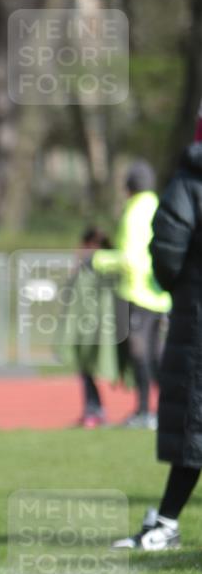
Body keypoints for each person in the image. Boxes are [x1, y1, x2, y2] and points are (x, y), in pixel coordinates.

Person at [113, 135, 202, 549]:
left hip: (191, 315)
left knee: (193, 422)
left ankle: (165, 523)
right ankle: (166, 520)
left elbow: (166, 250)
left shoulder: (188, 181)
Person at [92, 160, 171, 428]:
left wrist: (98, 260)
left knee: (141, 356)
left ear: (129, 186)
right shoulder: (159, 205)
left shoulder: (134, 212)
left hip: (137, 293)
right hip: (160, 295)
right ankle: (167, 411)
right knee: (158, 356)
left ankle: (144, 412)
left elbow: (129, 258)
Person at [58, 227, 117, 428]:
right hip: (88, 328)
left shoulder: (98, 267)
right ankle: (93, 409)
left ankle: (141, 411)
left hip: (95, 329)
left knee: (92, 368)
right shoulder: (87, 267)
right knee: (86, 370)